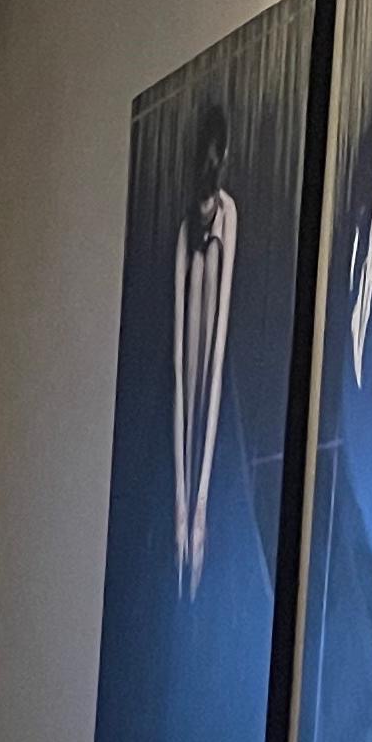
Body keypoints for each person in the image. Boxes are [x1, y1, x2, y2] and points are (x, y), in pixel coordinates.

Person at [169, 98, 238, 602]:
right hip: (191, 367)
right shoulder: (187, 230)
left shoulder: (227, 216)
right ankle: (184, 517)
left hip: (209, 364)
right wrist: (182, 505)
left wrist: (199, 508)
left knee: (208, 267)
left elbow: (215, 359)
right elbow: (180, 362)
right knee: (200, 268)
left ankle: (192, 516)